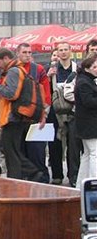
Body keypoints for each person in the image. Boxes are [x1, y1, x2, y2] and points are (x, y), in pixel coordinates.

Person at [0, 48, 45, 182]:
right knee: (10, 148)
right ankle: (18, 177)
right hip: (18, 116)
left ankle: (29, 173)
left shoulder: (13, 71)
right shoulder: (20, 70)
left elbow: (12, 94)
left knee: (8, 148)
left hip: (13, 116)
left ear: (6, 59)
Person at [16, 43, 51, 183]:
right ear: (17, 53)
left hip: (36, 119)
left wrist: (44, 114)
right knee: (20, 154)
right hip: (17, 120)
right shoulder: (13, 70)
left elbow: (47, 95)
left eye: (29, 52)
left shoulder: (39, 70)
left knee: (38, 154)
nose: (27, 55)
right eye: (24, 52)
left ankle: (42, 181)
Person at [47, 42, 78, 186]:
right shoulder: (52, 70)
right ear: (57, 53)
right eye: (61, 50)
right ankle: (57, 175)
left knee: (73, 145)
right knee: (55, 145)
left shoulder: (77, 69)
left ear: (70, 51)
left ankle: (73, 176)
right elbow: (45, 90)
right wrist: (48, 78)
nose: (64, 52)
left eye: (66, 49)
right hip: (55, 111)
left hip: (72, 111)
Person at [74, 53, 97, 188]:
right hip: (89, 124)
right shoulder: (84, 82)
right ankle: (94, 183)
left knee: (88, 154)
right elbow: (88, 102)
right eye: (94, 66)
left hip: (86, 124)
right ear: (87, 68)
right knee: (94, 153)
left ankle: (80, 185)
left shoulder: (85, 80)